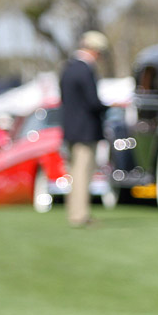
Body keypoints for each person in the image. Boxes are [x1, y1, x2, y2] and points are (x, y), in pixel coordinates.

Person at [60, 30, 109, 227]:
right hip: (86, 131)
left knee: (75, 173)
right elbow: (92, 102)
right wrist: (108, 107)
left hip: (71, 130)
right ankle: (80, 215)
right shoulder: (85, 70)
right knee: (82, 174)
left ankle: (74, 212)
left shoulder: (67, 68)